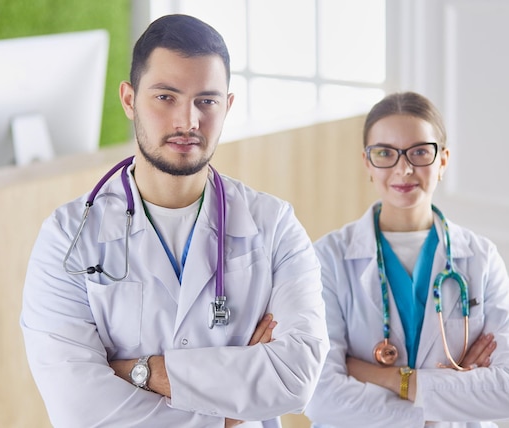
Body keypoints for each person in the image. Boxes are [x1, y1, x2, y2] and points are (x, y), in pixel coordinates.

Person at [20, 14, 329, 428]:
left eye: (207, 100)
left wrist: (139, 371)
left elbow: (296, 378)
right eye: (166, 97)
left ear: (228, 106)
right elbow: (81, 410)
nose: (188, 121)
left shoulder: (275, 226)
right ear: (129, 99)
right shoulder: (67, 238)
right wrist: (228, 414)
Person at [304, 91, 509, 427]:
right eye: (385, 153)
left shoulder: (480, 258)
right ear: (367, 162)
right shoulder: (329, 257)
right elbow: (320, 397)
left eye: (420, 152)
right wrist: (448, 400)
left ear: (442, 161)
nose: (404, 168)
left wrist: (395, 380)